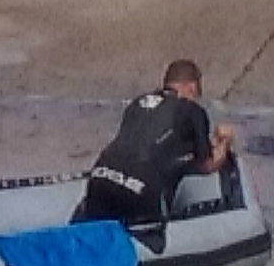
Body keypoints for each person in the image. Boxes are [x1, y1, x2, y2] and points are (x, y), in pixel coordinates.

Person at [76, 59, 235, 224]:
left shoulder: (137, 103)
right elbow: (207, 165)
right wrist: (224, 141)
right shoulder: (192, 110)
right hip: (140, 194)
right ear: (192, 87)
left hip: (99, 180)